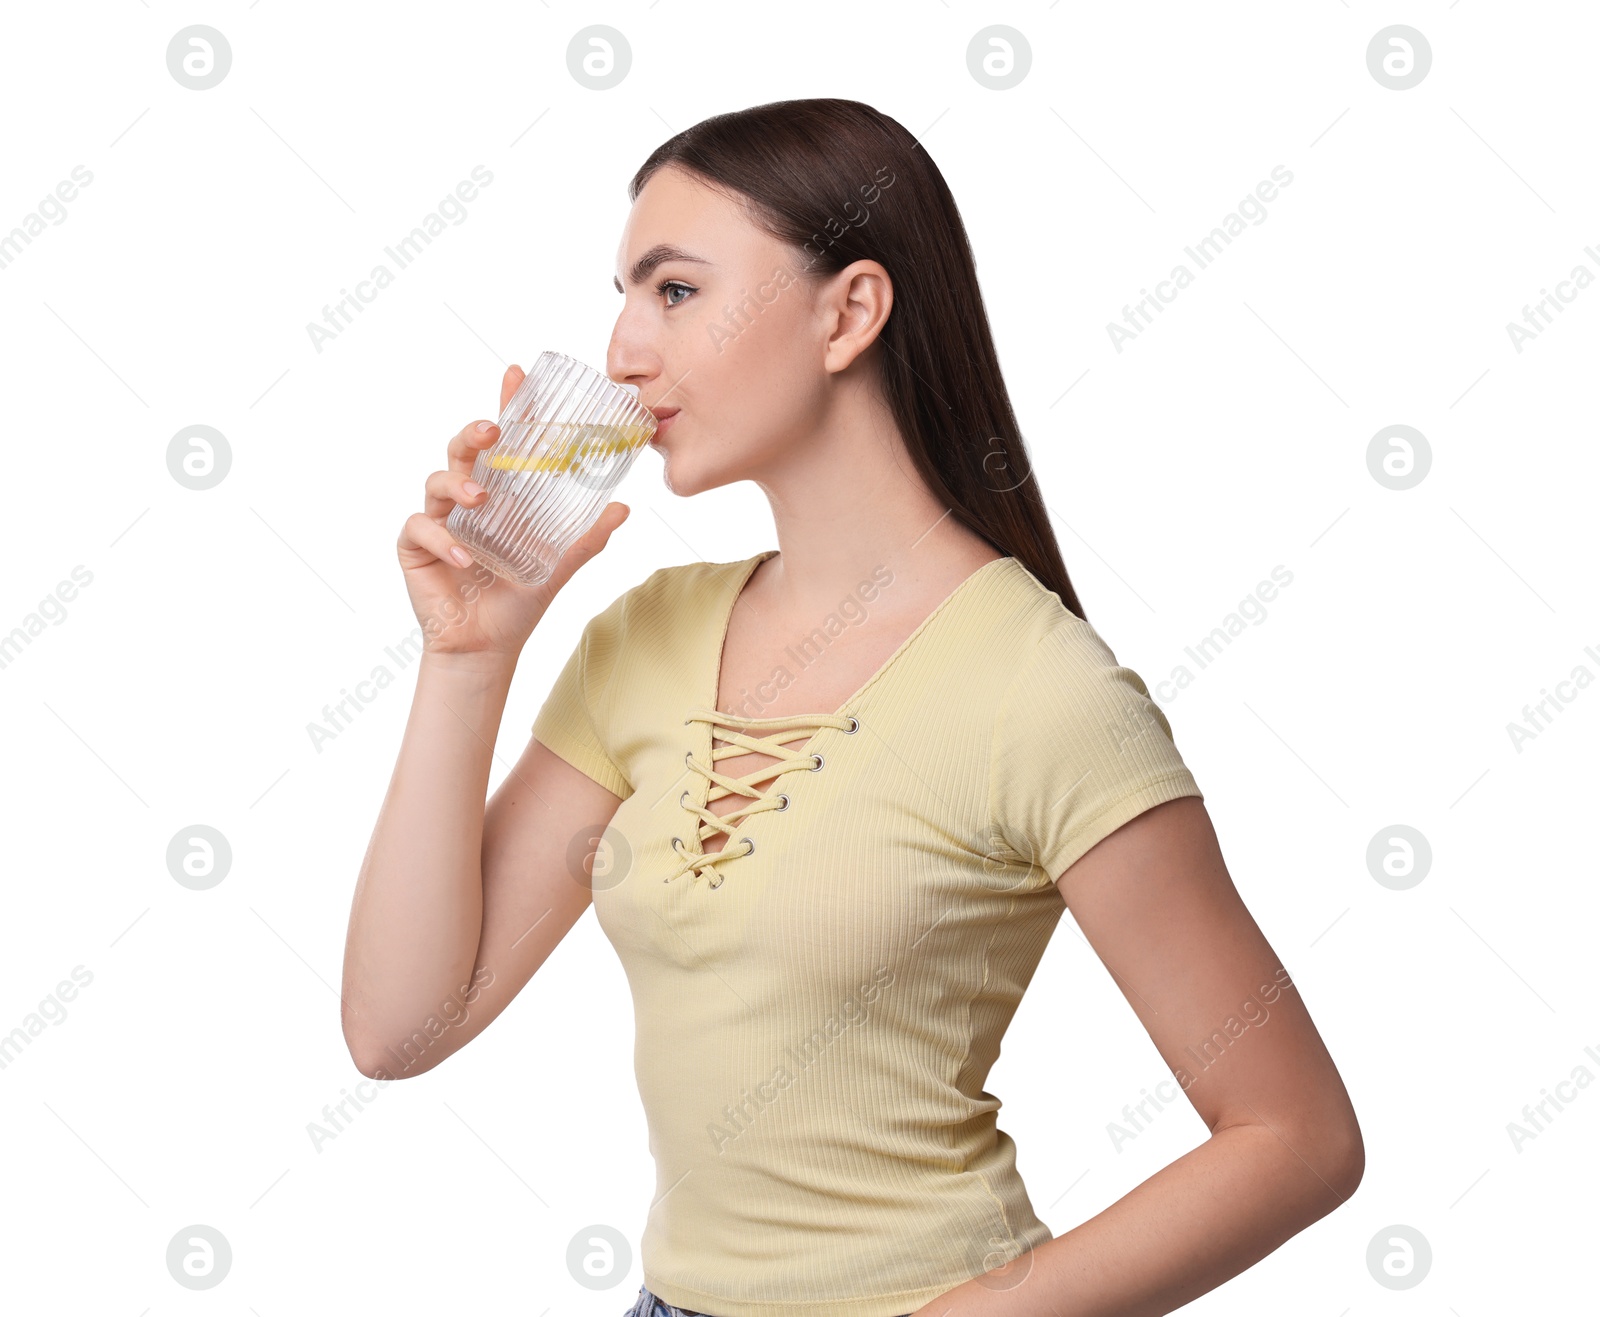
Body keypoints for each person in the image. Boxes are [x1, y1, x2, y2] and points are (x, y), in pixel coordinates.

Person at [341, 98, 1363, 1317]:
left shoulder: (1040, 691)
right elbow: (399, 1031)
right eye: (622, 292)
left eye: (673, 291)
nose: (620, 350)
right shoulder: (643, 640)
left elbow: (1293, 1135)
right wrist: (468, 660)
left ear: (849, 313)